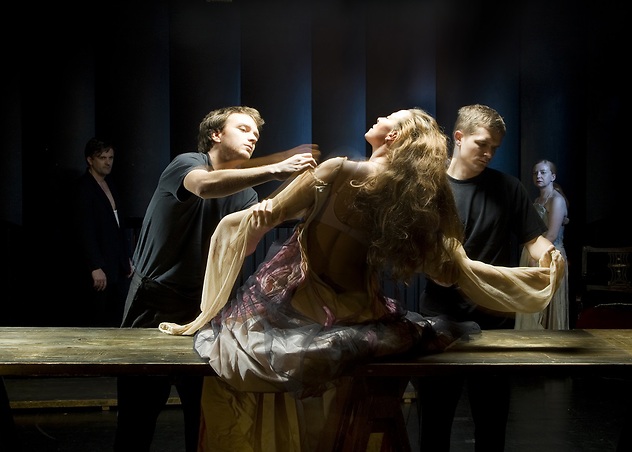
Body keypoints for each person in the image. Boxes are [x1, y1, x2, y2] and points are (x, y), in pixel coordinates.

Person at [159, 107, 564, 451]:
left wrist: (242, 227)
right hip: (360, 317)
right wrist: (537, 277)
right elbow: (449, 270)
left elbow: (264, 218)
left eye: (390, 116)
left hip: (309, 312)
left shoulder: (337, 170)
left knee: (240, 375)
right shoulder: (410, 196)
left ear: (396, 136)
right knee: (343, 404)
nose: (379, 116)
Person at [114, 106, 320, 452]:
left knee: (203, 419)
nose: (253, 137)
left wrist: (275, 214)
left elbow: (242, 247)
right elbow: (205, 187)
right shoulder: (187, 164)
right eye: (243, 128)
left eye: (256, 134)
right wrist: (275, 168)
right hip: (154, 301)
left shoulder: (246, 194)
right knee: (138, 416)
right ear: (216, 134)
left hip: (206, 309)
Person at [414, 104, 559, 452]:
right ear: (459, 137)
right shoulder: (429, 188)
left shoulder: (508, 188)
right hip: (440, 316)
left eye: (495, 147)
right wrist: (431, 267)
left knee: (492, 421)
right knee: (434, 420)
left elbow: (534, 240)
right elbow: (413, 250)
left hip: (494, 318)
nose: (489, 153)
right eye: (482, 144)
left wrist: (550, 255)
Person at [71, 138, 134, 327]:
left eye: (110, 157)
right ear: (90, 160)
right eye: (102, 158)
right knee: (98, 317)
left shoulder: (110, 184)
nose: (108, 162)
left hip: (116, 264)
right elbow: (85, 231)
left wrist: (126, 258)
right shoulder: (83, 188)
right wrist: (95, 266)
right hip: (100, 265)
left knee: (116, 316)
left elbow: (118, 226)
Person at [515, 159, 570, 330]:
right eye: (535, 173)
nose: (538, 175)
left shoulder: (556, 200)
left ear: (552, 176)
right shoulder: (537, 200)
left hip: (548, 254)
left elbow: (551, 234)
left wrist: (536, 258)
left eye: (543, 172)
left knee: (548, 305)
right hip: (533, 253)